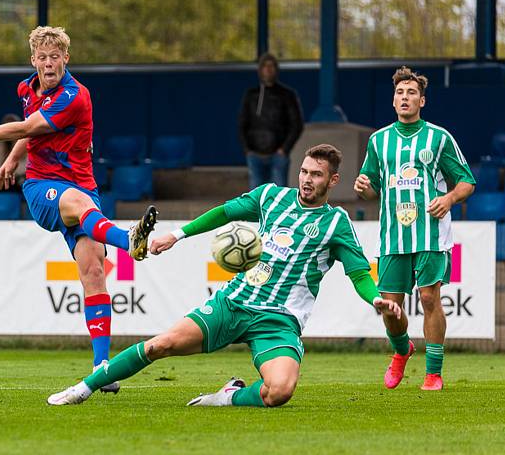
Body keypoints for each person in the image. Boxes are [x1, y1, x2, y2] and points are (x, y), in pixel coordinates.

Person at [47, 144, 402, 407]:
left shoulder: (337, 223)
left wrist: (375, 298)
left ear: (333, 180)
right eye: (305, 172)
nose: (308, 180)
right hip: (234, 302)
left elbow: (359, 275)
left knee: (279, 392)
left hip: (279, 322)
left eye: (317, 175)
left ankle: (227, 397)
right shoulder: (271, 197)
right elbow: (226, 212)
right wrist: (177, 235)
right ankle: (84, 388)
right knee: (161, 345)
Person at [0, 26, 158, 393]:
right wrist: (12, 157)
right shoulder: (27, 89)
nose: (48, 63)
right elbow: (30, 131)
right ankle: (127, 238)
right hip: (43, 187)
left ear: (66, 59)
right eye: (42, 57)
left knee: (93, 272)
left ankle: (102, 365)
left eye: (55, 56)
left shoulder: (75, 96)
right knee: (81, 205)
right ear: (33, 61)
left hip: (82, 188)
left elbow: (30, 126)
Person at [354, 66, 476, 392]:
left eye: (411, 93)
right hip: (393, 236)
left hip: (431, 233)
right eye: (399, 93)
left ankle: (433, 373)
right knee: (389, 307)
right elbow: (372, 189)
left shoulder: (439, 138)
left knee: (429, 298)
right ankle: (401, 350)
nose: (404, 98)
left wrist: (448, 199)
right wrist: (363, 186)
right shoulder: (378, 141)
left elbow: (467, 182)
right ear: (393, 101)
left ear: (422, 100)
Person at [239, 53, 304, 188]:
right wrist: (247, 150)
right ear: (260, 70)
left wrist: (284, 149)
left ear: (276, 69)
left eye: (271, 66)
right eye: (264, 66)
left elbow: (297, 124)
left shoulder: (287, 95)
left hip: (278, 156)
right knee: (256, 201)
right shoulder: (251, 95)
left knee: (279, 199)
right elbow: (242, 123)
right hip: (254, 155)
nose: (268, 69)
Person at [0, 113, 26, 185]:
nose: (10, 131)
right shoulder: (0, 143)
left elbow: (25, 169)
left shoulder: (26, 142)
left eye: (13, 127)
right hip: (7, 180)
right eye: (7, 128)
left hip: (24, 179)